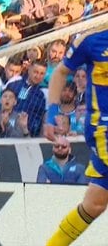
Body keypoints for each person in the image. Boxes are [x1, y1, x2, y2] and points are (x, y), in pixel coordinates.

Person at [45, 27, 108, 246]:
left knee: (95, 203)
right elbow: (60, 72)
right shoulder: (92, 40)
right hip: (104, 129)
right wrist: (52, 113)